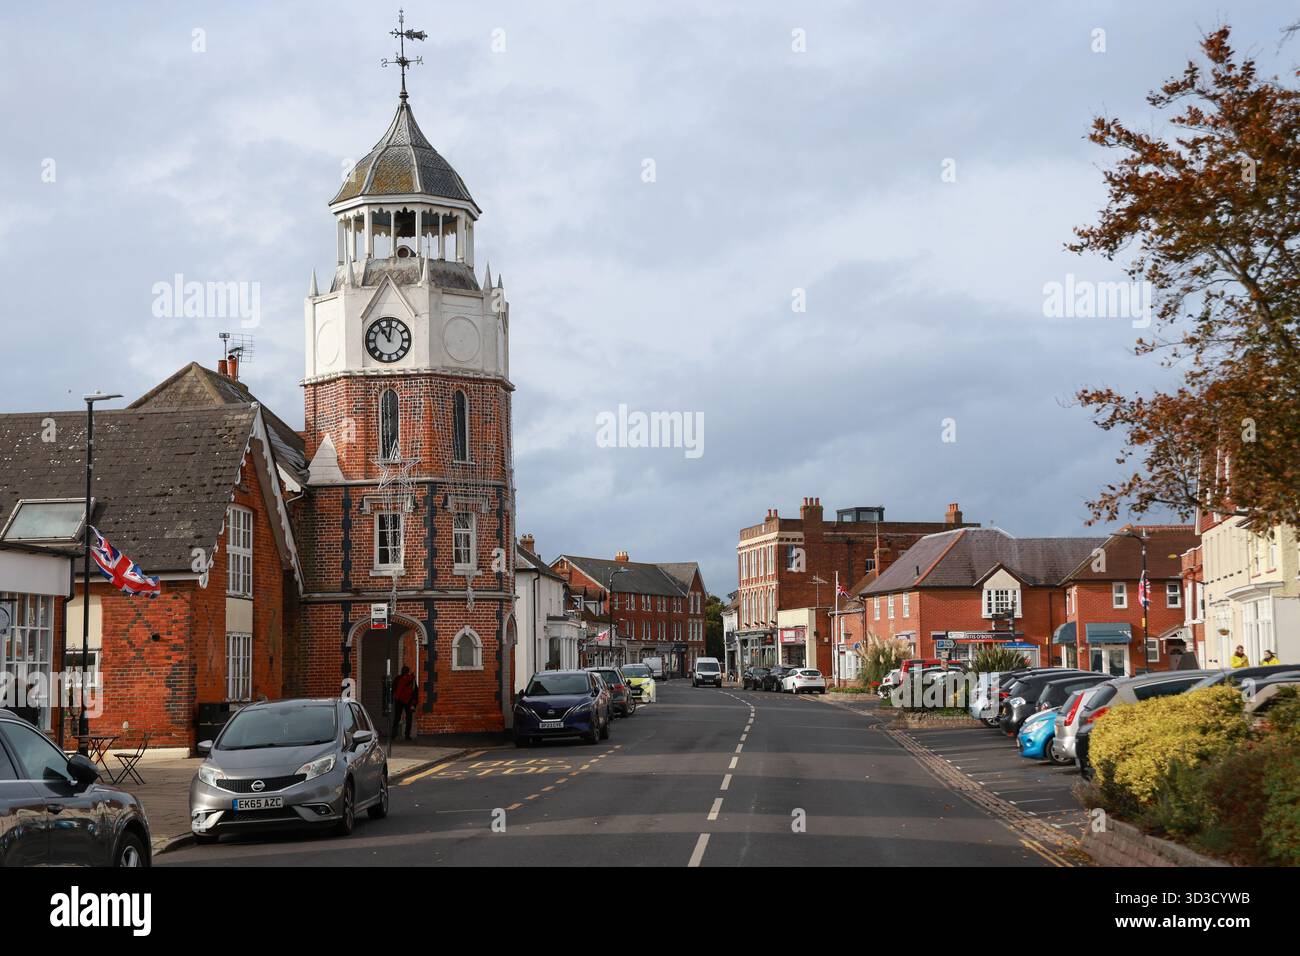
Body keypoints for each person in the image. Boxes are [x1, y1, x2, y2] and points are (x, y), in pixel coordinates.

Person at [391, 665, 417, 741]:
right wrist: (413, 704)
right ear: (408, 671)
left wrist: (394, 698)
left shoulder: (397, 678)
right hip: (408, 700)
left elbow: (393, 688)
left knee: (397, 717)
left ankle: (393, 735)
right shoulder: (412, 679)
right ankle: (407, 735)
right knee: (409, 718)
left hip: (398, 700)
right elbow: (414, 691)